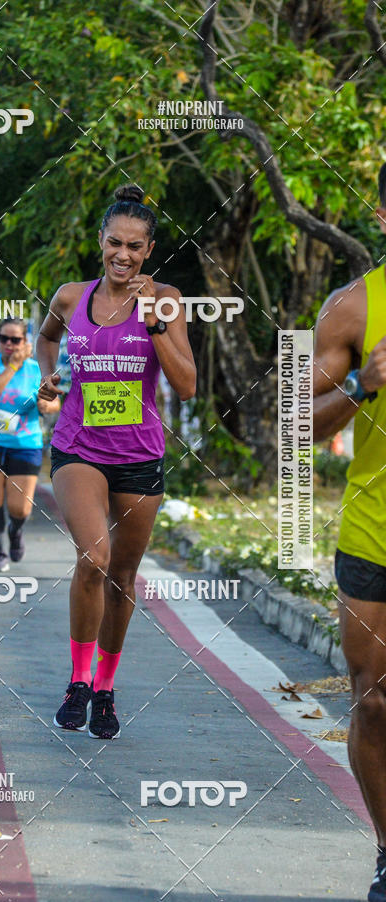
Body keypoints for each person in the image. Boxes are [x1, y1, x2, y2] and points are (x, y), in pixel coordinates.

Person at [36, 184, 196, 739]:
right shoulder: (70, 297)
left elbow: (187, 385)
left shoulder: (166, 300)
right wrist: (48, 378)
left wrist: (154, 323)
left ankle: (105, 689)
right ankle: (78, 682)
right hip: (78, 447)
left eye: (133, 246)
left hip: (140, 455)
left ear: (149, 251)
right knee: (94, 558)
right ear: (100, 241)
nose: (122, 255)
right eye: (114, 243)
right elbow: (46, 339)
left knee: (123, 576)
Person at [313, 164, 386, 902]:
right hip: (374, 534)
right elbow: (296, 421)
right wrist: (363, 384)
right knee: (373, 701)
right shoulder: (353, 307)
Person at [0, 317, 59, 571]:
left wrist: (46, 404)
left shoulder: (35, 370)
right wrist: (12, 366)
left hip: (25, 443)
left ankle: (16, 530)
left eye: (15, 339)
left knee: (20, 508)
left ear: (25, 341)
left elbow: (55, 401)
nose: (9, 344)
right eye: (4, 339)